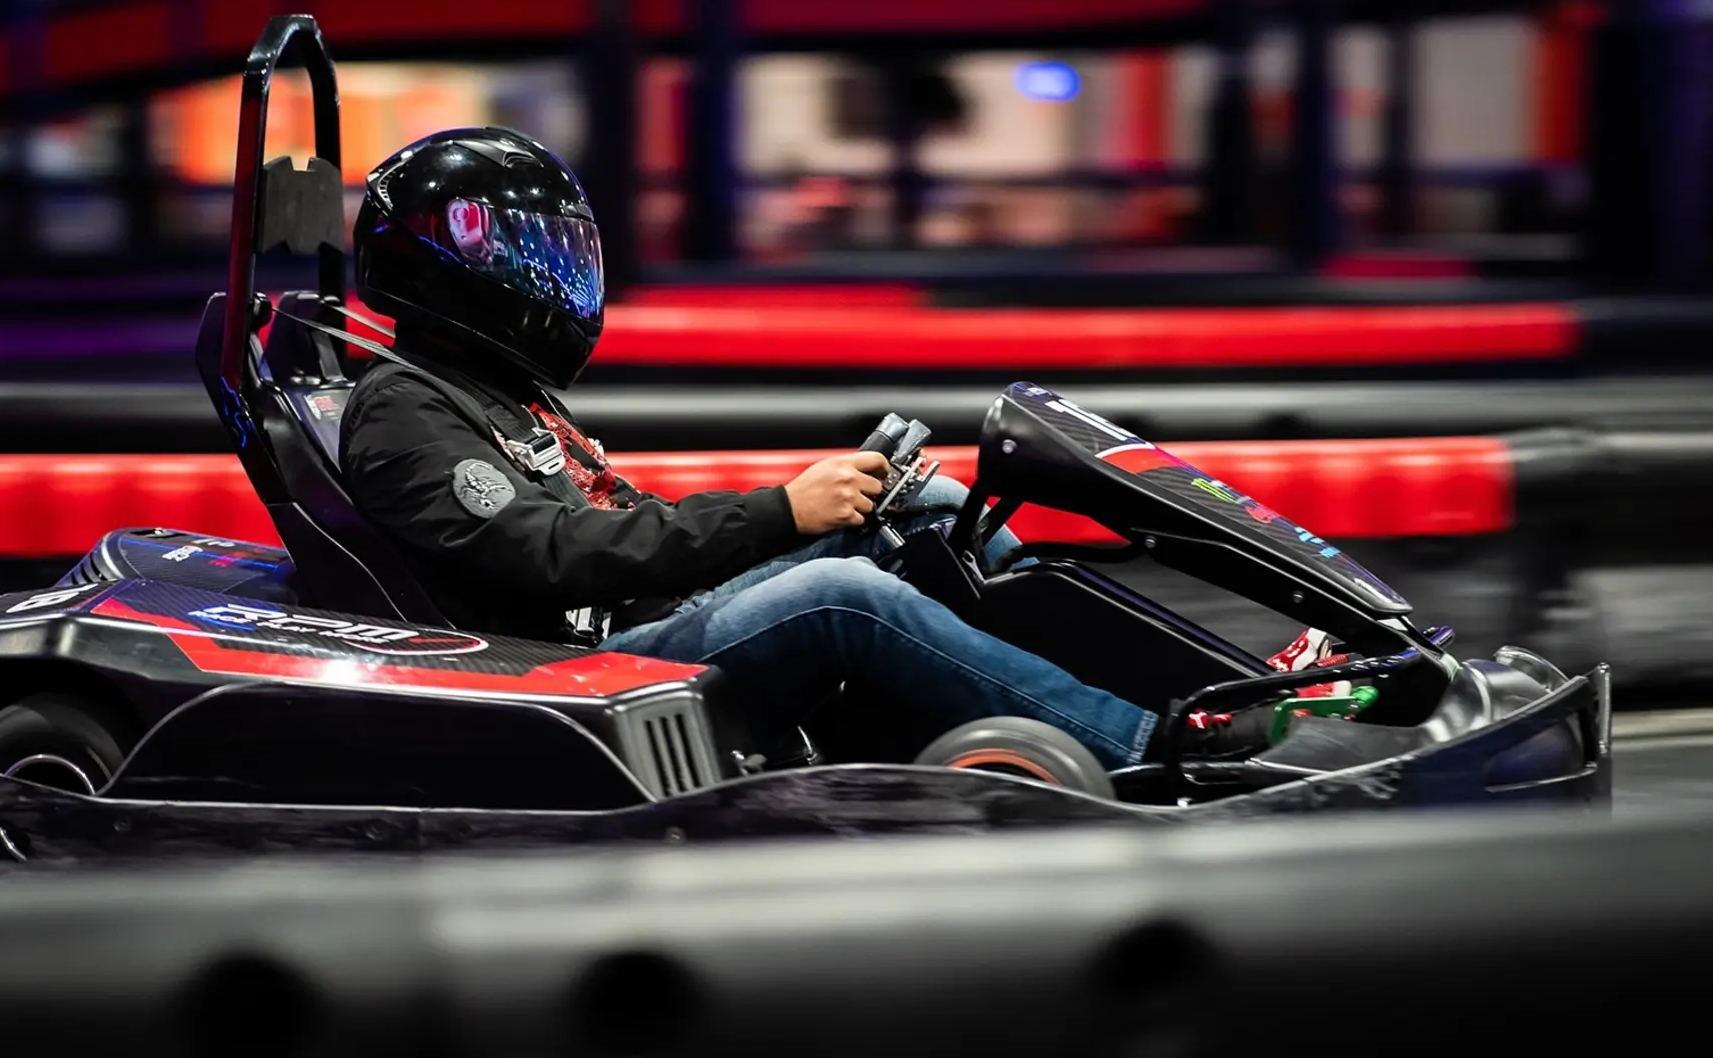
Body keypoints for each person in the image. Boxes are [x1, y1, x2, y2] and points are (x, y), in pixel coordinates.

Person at [338, 128, 1284, 771]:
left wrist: (807, 510)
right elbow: (550, 554)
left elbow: (613, 524)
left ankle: (1191, 684)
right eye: (526, 254)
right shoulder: (402, 410)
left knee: (928, 511)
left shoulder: (497, 389)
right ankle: (1139, 746)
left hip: (639, 617)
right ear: (455, 261)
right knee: (840, 595)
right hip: (577, 674)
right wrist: (780, 514)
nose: (552, 279)